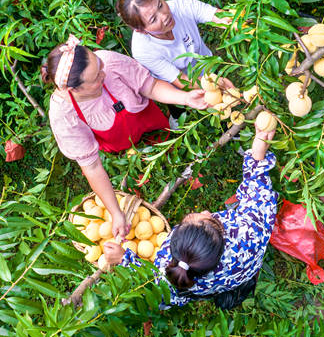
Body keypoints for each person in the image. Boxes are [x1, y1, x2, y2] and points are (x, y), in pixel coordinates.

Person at [41, 35, 208, 239]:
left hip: (148, 119)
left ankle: (174, 156)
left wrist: (185, 97)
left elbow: (150, 86)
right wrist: (116, 213)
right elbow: (92, 167)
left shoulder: (109, 63)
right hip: (119, 143)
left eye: (99, 64)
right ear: (73, 90)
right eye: (95, 79)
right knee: (137, 168)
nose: (103, 73)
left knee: (166, 141)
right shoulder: (64, 114)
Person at [104, 124, 277, 309]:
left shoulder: (168, 267)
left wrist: (124, 259)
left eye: (205, 217)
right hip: (244, 269)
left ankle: (226, 292)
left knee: (176, 294)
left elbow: (156, 285)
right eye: (210, 218)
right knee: (237, 282)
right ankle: (237, 288)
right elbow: (258, 193)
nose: (205, 212)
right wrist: (258, 152)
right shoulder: (250, 233)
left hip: (205, 286)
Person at [115, 0, 236, 92]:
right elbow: (181, 80)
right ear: (141, 30)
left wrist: (237, 24)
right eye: (153, 20)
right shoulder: (143, 51)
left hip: (205, 62)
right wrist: (213, 84)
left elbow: (218, 17)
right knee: (180, 109)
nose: (164, 16)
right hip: (176, 83)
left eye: (160, 5)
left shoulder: (180, 6)